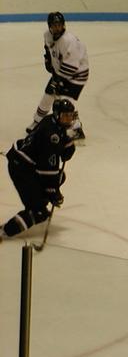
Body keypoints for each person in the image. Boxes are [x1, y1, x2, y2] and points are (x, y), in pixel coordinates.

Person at [1, 99, 77, 242]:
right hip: (21, 169)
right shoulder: (51, 135)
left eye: (70, 115)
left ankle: (39, 200)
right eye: (65, 116)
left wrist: (67, 145)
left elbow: (58, 143)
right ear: (57, 114)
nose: (68, 119)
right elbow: (47, 169)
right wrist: (53, 192)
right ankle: (4, 231)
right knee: (38, 212)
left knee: (59, 177)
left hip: (24, 162)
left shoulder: (51, 121)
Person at [27, 12, 88, 140]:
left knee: (64, 102)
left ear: (63, 25)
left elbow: (72, 66)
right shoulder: (47, 35)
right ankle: (38, 122)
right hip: (61, 71)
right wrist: (48, 59)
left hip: (77, 75)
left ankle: (76, 129)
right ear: (49, 26)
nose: (57, 28)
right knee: (48, 95)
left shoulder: (69, 41)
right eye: (54, 26)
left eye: (59, 25)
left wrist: (58, 81)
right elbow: (48, 48)